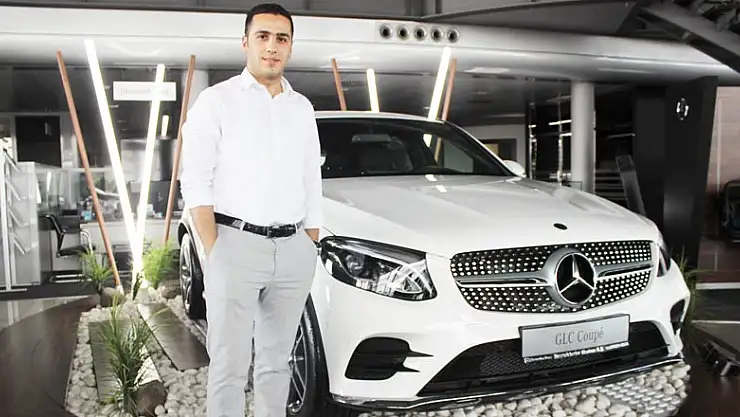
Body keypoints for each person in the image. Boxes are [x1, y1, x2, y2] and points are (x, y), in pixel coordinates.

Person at [178, 3, 323, 417]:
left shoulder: (301, 108)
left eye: (281, 38)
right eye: (263, 37)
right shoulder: (217, 101)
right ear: (246, 42)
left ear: (290, 46)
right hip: (234, 244)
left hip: (293, 249)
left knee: (278, 364)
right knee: (229, 366)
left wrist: (310, 241)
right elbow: (195, 181)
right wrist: (215, 250)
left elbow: (311, 179)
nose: (272, 47)